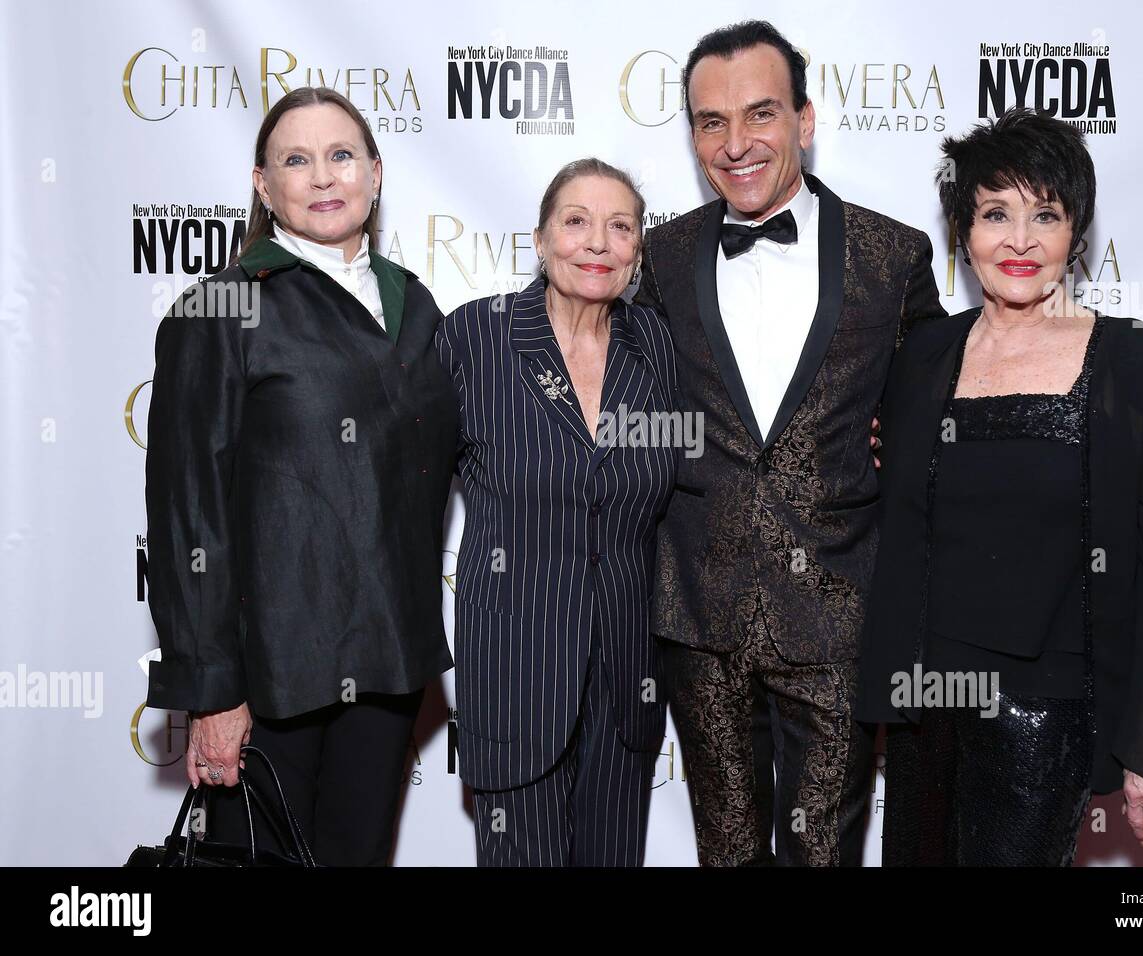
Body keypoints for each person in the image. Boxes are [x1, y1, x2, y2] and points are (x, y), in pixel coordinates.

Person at [855, 108, 1143, 865]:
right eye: (995, 213)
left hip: (1046, 711)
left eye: (1044, 214)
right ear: (963, 229)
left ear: (1075, 231)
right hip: (927, 707)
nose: (1019, 241)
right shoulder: (920, 358)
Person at [634, 20, 945, 866]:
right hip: (698, 613)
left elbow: (955, 396)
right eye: (709, 122)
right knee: (727, 854)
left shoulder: (894, 253)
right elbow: (592, 367)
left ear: (805, 120)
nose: (735, 144)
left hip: (839, 611)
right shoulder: (659, 256)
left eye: (760, 113)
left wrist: (1114, 453)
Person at [145, 86, 459, 866]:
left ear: (375, 174)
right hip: (271, 681)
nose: (323, 178)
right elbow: (190, 515)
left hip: (387, 669)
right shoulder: (222, 309)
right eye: (296, 160)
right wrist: (214, 692)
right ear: (263, 186)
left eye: (341, 156)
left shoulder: (414, 304)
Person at [435, 159, 678, 866]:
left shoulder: (657, 346)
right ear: (541, 240)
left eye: (620, 226)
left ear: (637, 250)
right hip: (516, 677)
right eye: (576, 222)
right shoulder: (475, 339)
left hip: (627, 681)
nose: (597, 242)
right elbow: (407, 494)